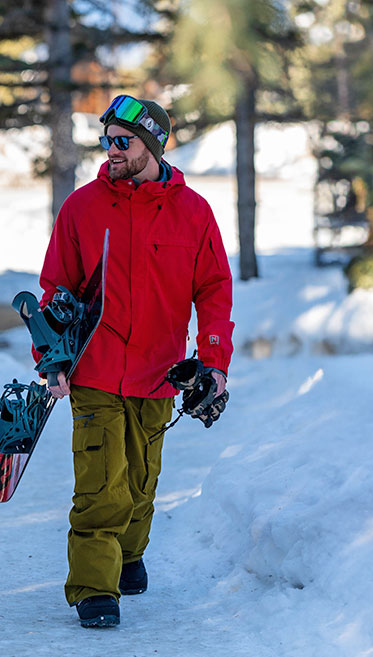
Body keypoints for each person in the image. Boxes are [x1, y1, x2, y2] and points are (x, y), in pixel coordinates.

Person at [37, 95, 234, 628]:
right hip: (95, 370)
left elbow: (214, 288)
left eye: (122, 141)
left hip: (160, 371)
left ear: (151, 145)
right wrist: (51, 357)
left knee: (142, 480)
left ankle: (128, 554)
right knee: (103, 483)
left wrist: (213, 362)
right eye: (107, 141)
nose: (111, 151)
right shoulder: (82, 207)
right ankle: (93, 588)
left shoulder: (193, 213)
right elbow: (55, 287)